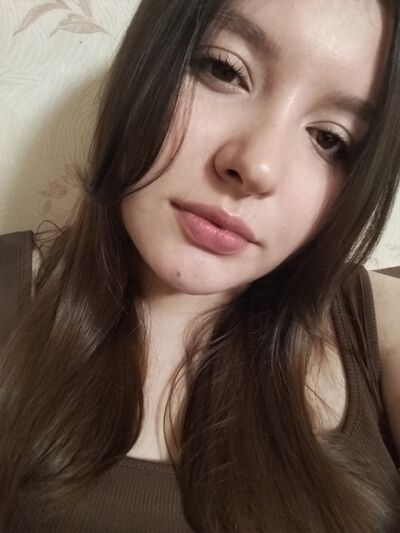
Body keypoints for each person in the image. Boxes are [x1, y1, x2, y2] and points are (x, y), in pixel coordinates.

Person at [0, 0, 399, 531]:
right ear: (147, 61)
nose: (257, 165)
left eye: (330, 139)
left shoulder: (381, 323)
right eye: (224, 70)